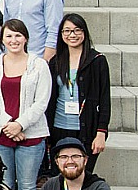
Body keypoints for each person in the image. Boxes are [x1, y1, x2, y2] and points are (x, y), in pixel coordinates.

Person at [0, 20, 53, 190]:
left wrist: (20, 125)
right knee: (4, 186)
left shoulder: (39, 65)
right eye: (9, 36)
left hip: (31, 135)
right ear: (2, 39)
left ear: (26, 38)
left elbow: (42, 101)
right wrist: (8, 125)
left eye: (18, 35)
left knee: (28, 187)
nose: (14, 40)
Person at [46, 14, 109, 175]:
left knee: (82, 175)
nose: (72, 35)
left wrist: (101, 132)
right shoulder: (56, 61)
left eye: (76, 30)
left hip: (87, 130)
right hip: (59, 127)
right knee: (59, 176)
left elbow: (104, 99)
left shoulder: (97, 60)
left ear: (84, 33)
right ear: (61, 35)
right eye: (67, 31)